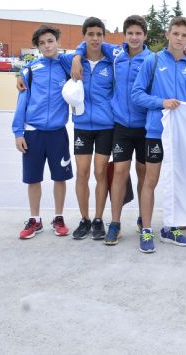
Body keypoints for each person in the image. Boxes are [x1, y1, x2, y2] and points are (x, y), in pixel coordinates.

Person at [71, 15, 152, 246]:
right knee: (118, 173)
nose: (134, 37)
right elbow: (89, 43)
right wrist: (76, 56)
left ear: (145, 36)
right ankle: (114, 224)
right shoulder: (116, 54)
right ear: (124, 36)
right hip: (120, 126)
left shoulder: (152, 59)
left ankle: (142, 218)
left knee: (143, 174)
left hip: (144, 126)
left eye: (138, 33)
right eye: (130, 33)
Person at [131, 17, 186, 253]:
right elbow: (136, 95)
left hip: (180, 134)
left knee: (177, 182)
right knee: (150, 181)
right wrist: (162, 102)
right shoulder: (153, 60)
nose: (179, 39)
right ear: (167, 34)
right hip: (156, 131)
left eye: (184, 35)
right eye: (176, 34)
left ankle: (170, 228)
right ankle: (146, 229)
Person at [13, 25, 73, 239]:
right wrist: (18, 132)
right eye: (42, 43)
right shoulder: (29, 70)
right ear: (37, 47)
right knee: (33, 179)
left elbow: (84, 53)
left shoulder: (66, 67)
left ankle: (58, 217)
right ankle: (35, 219)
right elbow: (22, 101)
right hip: (33, 133)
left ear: (58, 42)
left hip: (57, 132)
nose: (47, 46)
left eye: (50, 41)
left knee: (60, 178)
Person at [69, 17, 114, 241]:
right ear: (84, 36)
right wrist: (21, 73)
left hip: (106, 126)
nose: (95, 38)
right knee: (82, 172)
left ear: (103, 37)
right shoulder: (72, 61)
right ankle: (84, 219)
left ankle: (98, 219)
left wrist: (78, 54)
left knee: (100, 172)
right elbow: (48, 57)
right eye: (90, 34)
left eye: (99, 34)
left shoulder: (112, 62)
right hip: (82, 126)